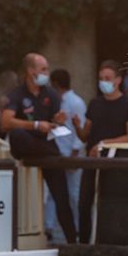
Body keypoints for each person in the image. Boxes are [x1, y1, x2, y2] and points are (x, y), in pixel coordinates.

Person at [0, 53, 78, 245]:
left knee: (62, 197)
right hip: (27, 144)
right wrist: (35, 125)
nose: (46, 73)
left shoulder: (51, 94)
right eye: (43, 69)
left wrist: (56, 121)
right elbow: (6, 122)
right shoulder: (17, 94)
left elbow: (52, 124)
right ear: (30, 71)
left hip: (47, 146)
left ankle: (74, 242)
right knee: (18, 135)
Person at [77, 60, 128, 245]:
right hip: (92, 160)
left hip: (114, 161)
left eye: (107, 78)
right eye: (101, 78)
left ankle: (111, 242)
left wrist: (104, 144)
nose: (103, 81)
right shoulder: (94, 104)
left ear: (118, 80)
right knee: (84, 203)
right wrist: (74, 125)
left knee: (111, 203)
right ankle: (83, 242)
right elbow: (85, 135)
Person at [49, 68, 86, 233]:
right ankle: (50, 228)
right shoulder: (55, 101)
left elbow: (81, 127)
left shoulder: (75, 102)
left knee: (74, 193)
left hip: (72, 153)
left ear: (55, 84)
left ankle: (79, 228)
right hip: (58, 152)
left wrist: (75, 152)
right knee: (53, 194)